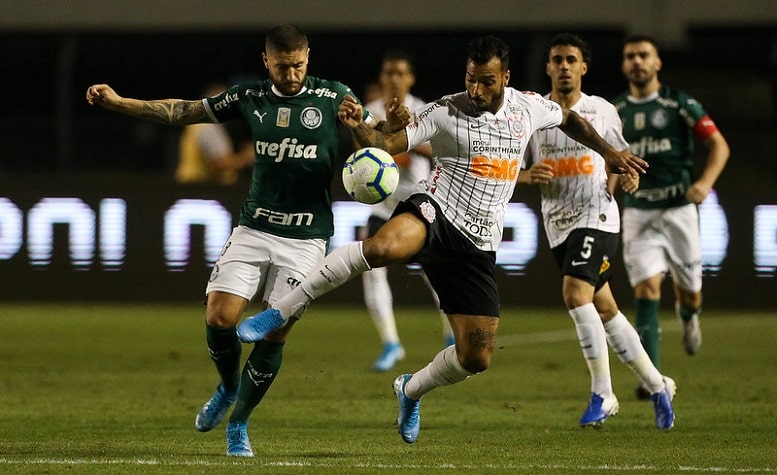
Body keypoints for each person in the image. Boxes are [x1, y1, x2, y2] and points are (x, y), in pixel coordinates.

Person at [237, 35, 648, 444]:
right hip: (435, 212)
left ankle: (411, 389)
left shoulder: (529, 107)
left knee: (476, 357)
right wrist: (362, 126)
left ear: (505, 77)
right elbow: (386, 143)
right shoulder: (446, 110)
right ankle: (282, 310)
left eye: (487, 81)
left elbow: (568, 118)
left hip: (479, 246)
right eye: (471, 79)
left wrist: (610, 153)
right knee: (381, 248)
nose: (476, 89)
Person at [86, 24, 406, 457]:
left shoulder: (334, 96)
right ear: (266, 61)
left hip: (307, 237)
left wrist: (362, 128)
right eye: (281, 66)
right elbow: (183, 112)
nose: (290, 75)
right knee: (220, 317)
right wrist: (120, 102)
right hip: (255, 226)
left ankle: (238, 423)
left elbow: (379, 142)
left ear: (308, 57)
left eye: (297, 66)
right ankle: (227, 386)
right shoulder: (250, 97)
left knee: (274, 334)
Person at [519, 33, 675, 429]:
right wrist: (526, 176)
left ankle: (603, 393)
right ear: (549, 67)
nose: (565, 66)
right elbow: (509, 166)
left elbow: (619, 159)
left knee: (575, 294)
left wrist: (627, 178)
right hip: (557, 223)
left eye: (572, 59)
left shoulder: (602, 110)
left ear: (583, 68)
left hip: (597, 214)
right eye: (558, 59)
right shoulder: (534, 113)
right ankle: (658, 385)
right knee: (605, 309)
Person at [613, 35, 730, 398]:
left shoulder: (679, 103)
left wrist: (705, 182)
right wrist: (611, 189)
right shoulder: (616, 111)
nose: (637, 61)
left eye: (644, 55)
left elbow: (719, 145)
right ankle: (651, 380)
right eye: (631, 56)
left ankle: (689, 316)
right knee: (646, 289)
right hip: (639, 212)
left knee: (689, 293)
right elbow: (614, 161)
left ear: (657, 63)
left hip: (679, 209)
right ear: (623, 65)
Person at [361, 50, 454, 372]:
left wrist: (402, 142)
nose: (394, 78)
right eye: (389, 73)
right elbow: (364, 153)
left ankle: (451, 336)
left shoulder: (425, 110)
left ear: (411, 78)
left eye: (401, 73)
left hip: (417, 198)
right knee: (370, 268)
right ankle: (390, 343)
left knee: (435, 271)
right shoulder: (369, 111)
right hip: (382, 203)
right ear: (382, 78)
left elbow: (441, 150)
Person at [175, 83, 255, 185]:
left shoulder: (196, 125)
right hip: (200, 189)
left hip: (192, 187)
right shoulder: (209, 128)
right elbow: (222, 164)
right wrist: (248, 155)